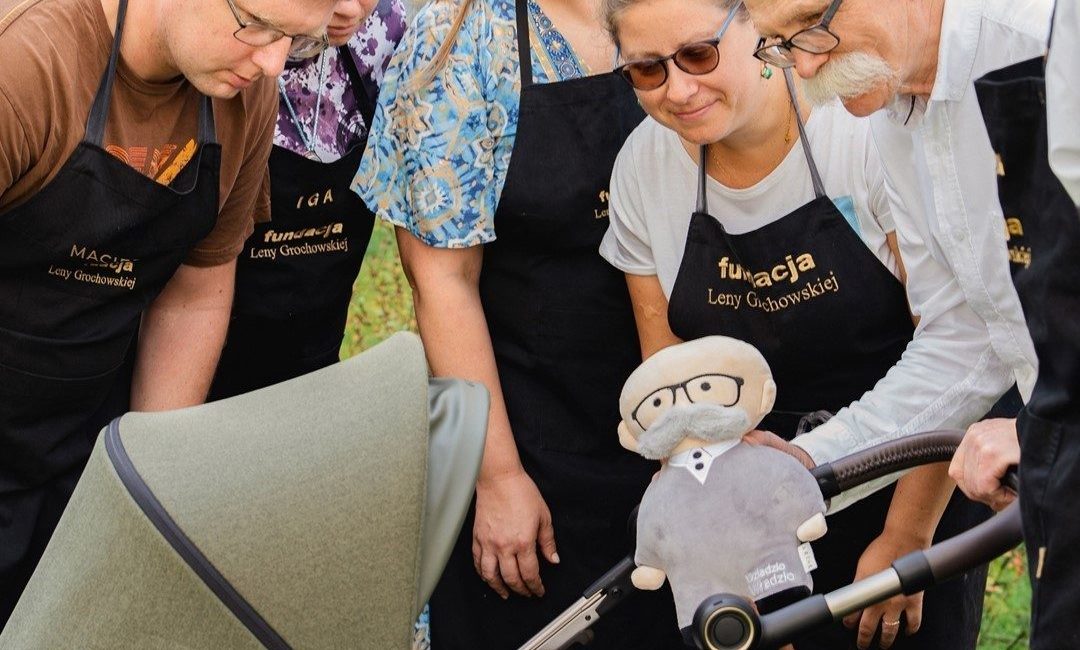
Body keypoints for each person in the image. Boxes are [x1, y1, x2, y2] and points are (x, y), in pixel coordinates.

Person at [600, 1, 1001, 647]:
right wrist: (733, 554)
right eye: (646, 71)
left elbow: (957, 349)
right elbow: (668, 380)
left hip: (904, 473)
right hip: (749, 490)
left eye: (700, 54)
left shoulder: (863, 127)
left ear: (753, 28)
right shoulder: (643, 168)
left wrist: (905, 538)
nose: (678, 89)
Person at [352, 0, 683, 647]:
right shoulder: (462, 40)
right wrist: (498, 478)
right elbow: (443, 281)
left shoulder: (676, 14)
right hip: (534, 438)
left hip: (681, 421)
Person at [0, 0, 336, 626]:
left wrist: (142, 496)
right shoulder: (22, 65)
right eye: (259, 25)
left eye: (297, 39)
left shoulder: (243, 91)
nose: (272, 63)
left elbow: (196, 289)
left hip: (81, 453)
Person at [950, 8, 1080, 647]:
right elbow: (966, 332)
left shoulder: (1020, 34)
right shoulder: (897, 125)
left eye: (812, 26)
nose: (802, 66)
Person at [209, 0, 405, 399]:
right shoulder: (234, 43)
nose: (349, 8)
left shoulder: (389, 34)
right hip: (201, 361)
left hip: (317, 366)